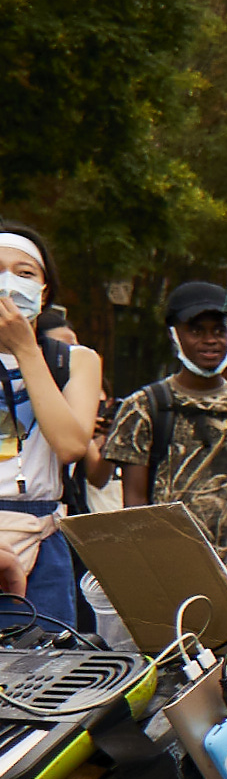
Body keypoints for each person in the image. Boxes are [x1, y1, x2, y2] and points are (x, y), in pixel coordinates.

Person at [104, 281, 227, 612]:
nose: (210, 340)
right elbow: (134, 501)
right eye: (196, 330)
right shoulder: (144, 407)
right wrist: (146, 577)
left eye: (219, 329)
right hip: (167, 578)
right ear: (174, 335)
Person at [0, 223, 104, 626]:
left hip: (43, 538)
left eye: (25, 273)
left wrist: (26, 350)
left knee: (44, 671)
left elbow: (71, 445)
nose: (9, 282)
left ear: (44, 292)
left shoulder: (76, 360)